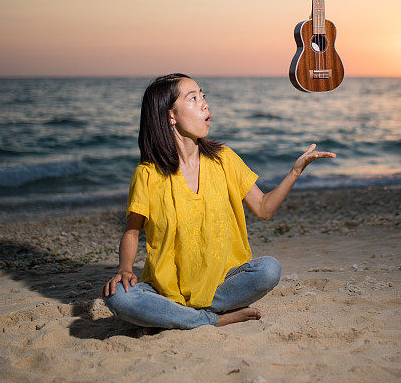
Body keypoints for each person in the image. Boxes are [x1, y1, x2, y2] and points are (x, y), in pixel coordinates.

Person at [103, 73, 336, 329]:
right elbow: (132, 232)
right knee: (119, 297)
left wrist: (295, 172)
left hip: (222, 284)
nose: (204, 104)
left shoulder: (223, 159)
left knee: (269, 269)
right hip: (165, 290)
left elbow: (264, 208)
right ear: (171, 116)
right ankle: (211, 318)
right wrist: (125, 269)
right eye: (193, 98)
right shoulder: (147, 174)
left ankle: (180, 316)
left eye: (203, 96)